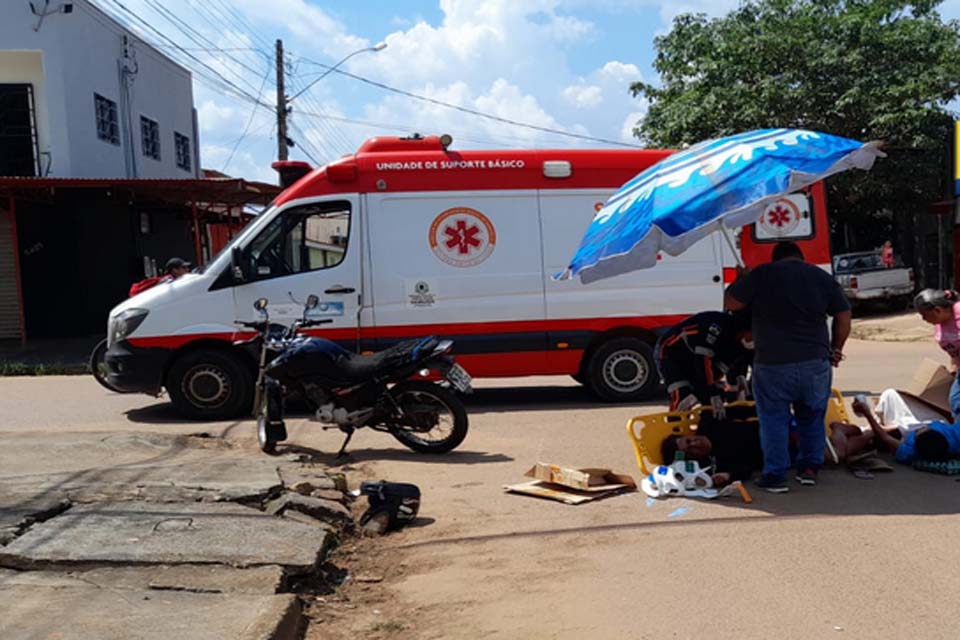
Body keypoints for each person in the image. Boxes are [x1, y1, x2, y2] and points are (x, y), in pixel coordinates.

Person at [724, 241, 852, 492]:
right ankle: (808, 469)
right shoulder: (821, 277)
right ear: (800, 258)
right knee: (812, 416)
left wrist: (741, 280)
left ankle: (776, 476)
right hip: (815, 361)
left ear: (776, 258)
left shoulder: (762, 274)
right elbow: (843, 315)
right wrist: (836, 348)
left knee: (773, 420)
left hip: (773, 363)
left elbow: (731, 303)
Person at [654, 310, 753, 415]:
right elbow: (703, 361)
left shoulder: (741, 343)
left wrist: (737, 384)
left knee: (709, 397)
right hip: (671, 353)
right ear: (744, 330)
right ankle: (675, 425)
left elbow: (727, 367)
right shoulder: (716, 327)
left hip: (699, 356)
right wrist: (710, 391)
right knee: (682, 395)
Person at [660, 404, 764, 485]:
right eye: (690, 450)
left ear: (687, 435)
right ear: (693, 458)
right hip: (769, 455)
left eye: (688, 441)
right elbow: (746, 468)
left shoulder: (708, 422)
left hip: (768, 428)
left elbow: (740, 411)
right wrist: (728, 476)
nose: (694, 444)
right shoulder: (713, 465)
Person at [849, 394, 960, 464]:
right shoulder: (955, 433)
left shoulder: (909, 452)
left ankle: (870, 424)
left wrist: (867, 414)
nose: (919, 430)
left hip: (904, 429)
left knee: (889, 394)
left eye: (918, 432)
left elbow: (884, 437)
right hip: (939, 420)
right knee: (890, 396)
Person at [913, 289, 960, 418]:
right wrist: (954, 368)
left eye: (924, 315)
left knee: (956, 401)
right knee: (955, 401)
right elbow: (954, 350)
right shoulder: (940, 323)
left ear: (937, 310)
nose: (923, 319)